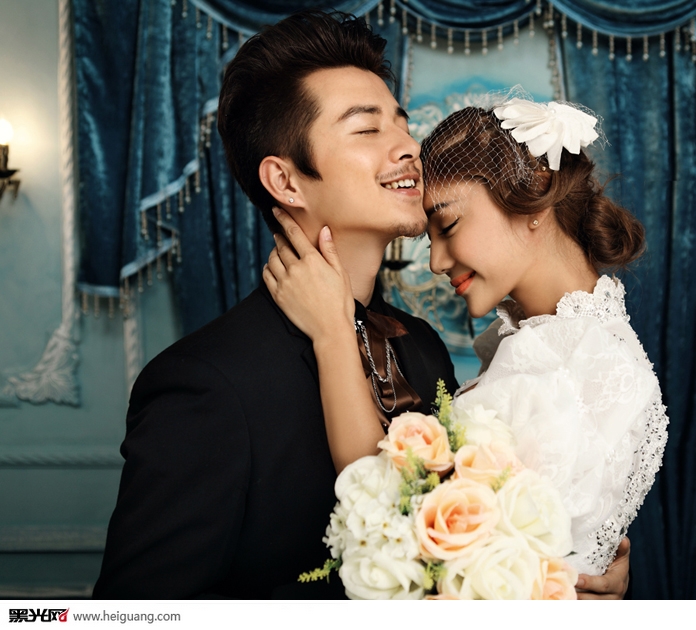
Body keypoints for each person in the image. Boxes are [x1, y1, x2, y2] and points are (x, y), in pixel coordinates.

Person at [93, 10, 457, 599]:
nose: (409, 148)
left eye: (402, 122)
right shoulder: (205, 384)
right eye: (367, 129)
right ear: (285, 182)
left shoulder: (423, 348)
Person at [265, 96, 666, 590]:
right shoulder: (578, 343)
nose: (436, 262)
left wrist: (332, 332)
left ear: (535, 192)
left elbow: (393, 511)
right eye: (429, 238)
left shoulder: (557, 366)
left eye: (449, 225)